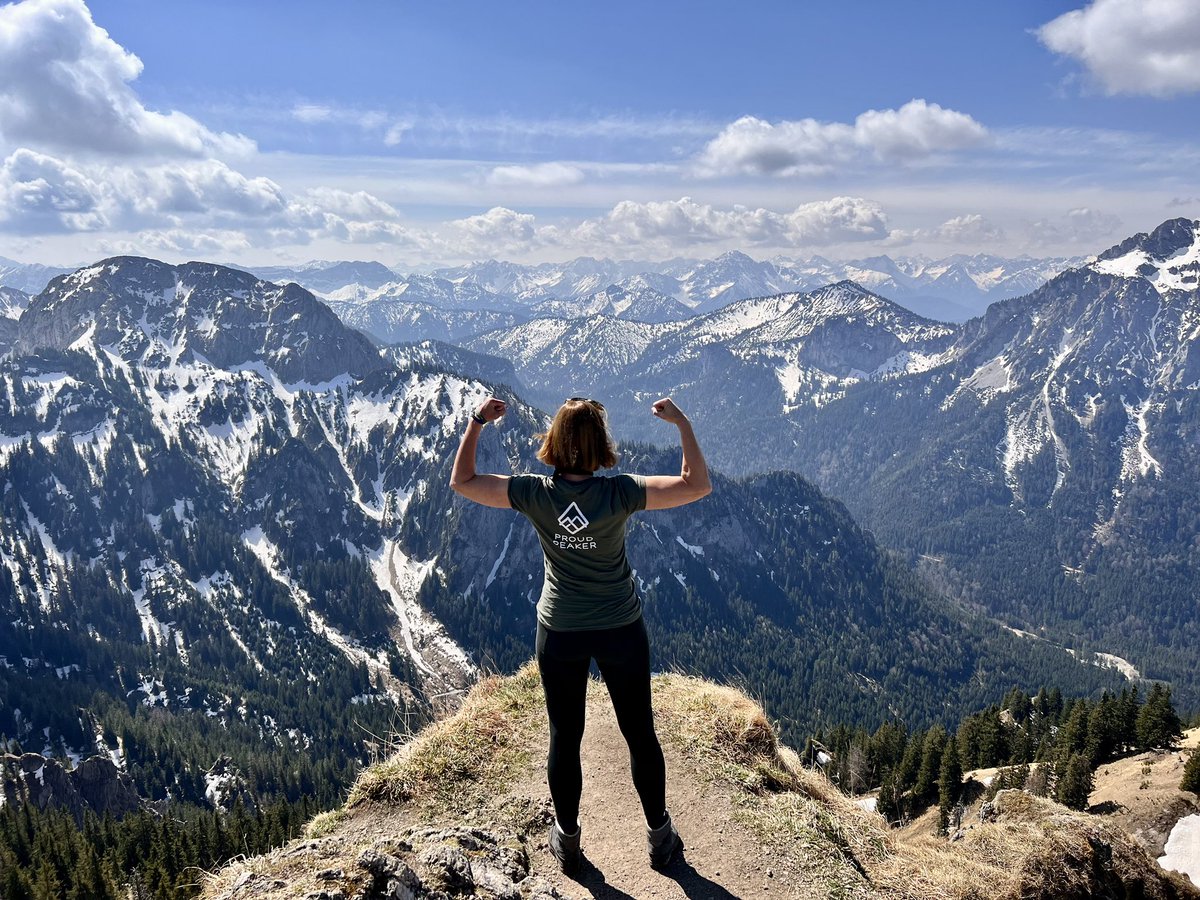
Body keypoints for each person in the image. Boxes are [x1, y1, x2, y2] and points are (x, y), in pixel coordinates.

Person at [449, 395, 712, 875]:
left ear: (553, 442)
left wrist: (477, 422)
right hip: (620, 628)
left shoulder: (534, 493)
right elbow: (698, 485)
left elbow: (462, 481)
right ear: (600, 447)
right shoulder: (620, 493)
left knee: (565, 737)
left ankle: (567, 841)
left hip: (560, 632)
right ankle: (660, 836)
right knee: (640, 733)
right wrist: (684, 424)